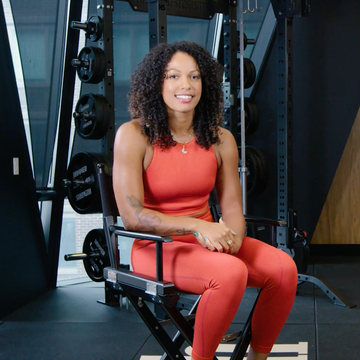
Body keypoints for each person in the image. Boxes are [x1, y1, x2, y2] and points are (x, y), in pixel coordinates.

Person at [112, 41, 298, 360]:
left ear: (206, 84)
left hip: (207, 242)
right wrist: (198, 227)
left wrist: (233, 242)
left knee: (284, 269)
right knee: (229, 274)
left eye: (194, 77)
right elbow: (132, 216)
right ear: (156, 82)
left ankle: (257, 357)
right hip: (155, 247)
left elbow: (232, 209)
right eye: (173, 76)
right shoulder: (133, 135)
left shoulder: (221, 139)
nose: (185, 85)